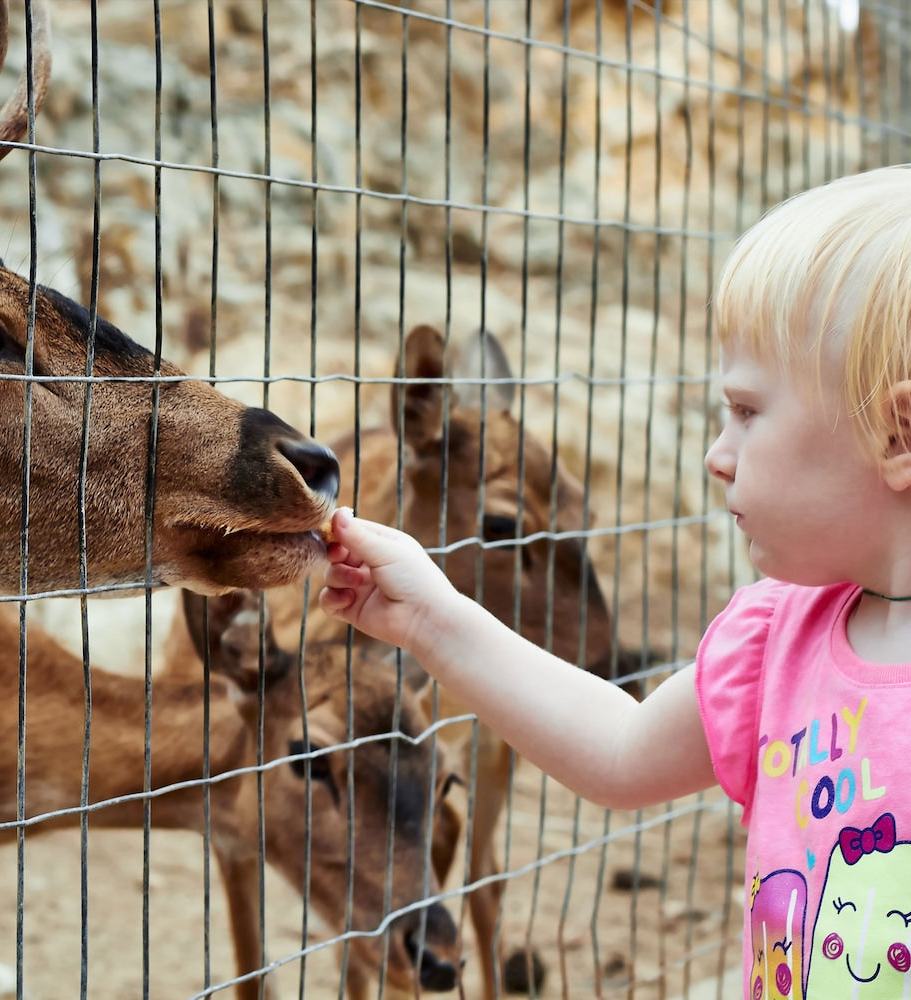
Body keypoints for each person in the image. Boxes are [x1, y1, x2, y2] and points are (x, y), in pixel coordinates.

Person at [318, 164, 911, 999]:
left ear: (898, 434)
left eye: (746, 412)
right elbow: (621, 750)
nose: (717, 453)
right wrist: (432, 617)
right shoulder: (773, 638)